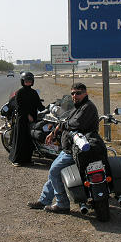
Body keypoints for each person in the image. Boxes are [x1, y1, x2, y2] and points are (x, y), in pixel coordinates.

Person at [27, 82, 99, 213]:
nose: (75, 96)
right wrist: (54, 132)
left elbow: (74, 123)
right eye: (73, 93)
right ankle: (44, 200)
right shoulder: (77, 107)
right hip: (68, 149)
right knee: (54, 173)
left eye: (78, 93)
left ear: (85, 93)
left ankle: (62, 204)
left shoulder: (87, 107)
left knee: (54, 171)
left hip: (76, 150)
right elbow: (64, 121)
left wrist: (63, 125)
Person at [9, 72, 45, 166]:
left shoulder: (33, 92)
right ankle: (16, 160)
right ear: (22, 81)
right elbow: (19, 106)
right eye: (26, 81)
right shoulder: (20, 92)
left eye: (30, 81)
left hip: (33, 119)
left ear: (32, 82)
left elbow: (38, 104)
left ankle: (27, 160)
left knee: (30, 140)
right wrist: (27, 115)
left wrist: (47, 109)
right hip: (22, 119)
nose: (28, 82)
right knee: (21, 140)